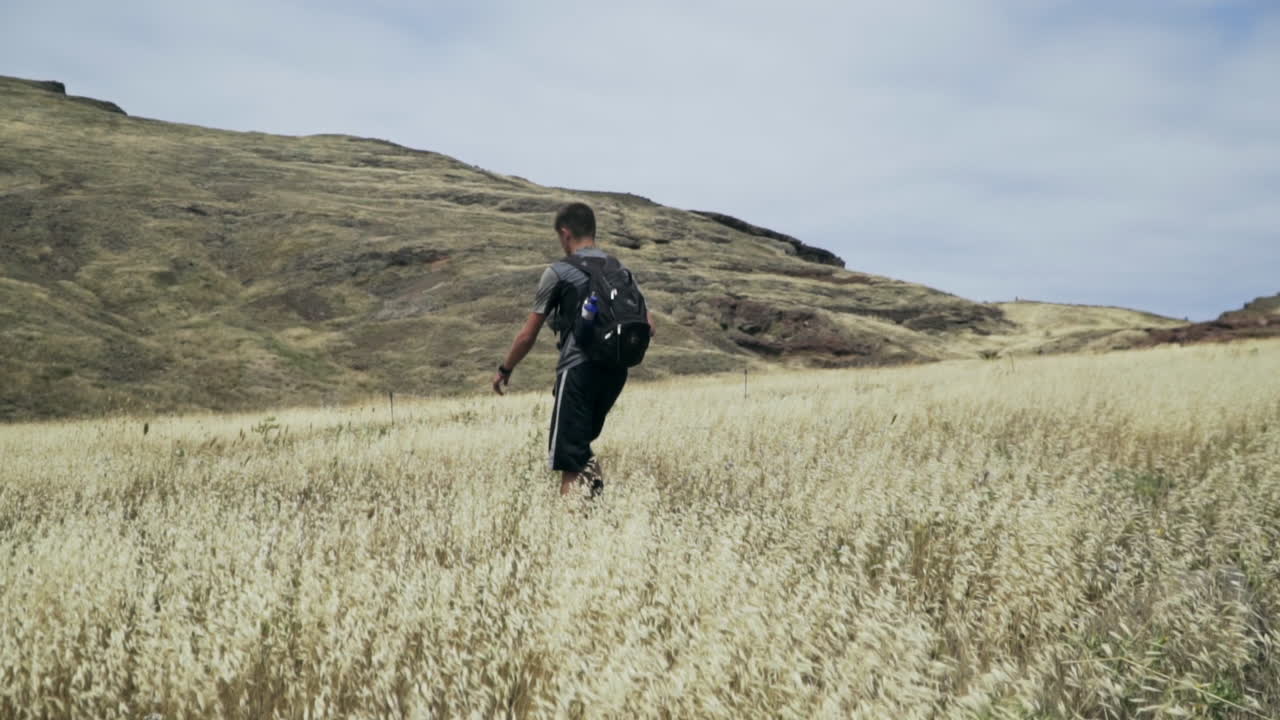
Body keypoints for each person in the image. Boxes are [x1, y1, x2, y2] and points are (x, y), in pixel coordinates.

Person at [492, 202, 654, 499]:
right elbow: (649, 326)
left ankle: (568, 534)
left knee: (569, 459)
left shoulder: (560, 272)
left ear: (565, 234)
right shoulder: (621, 270)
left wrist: (505, 369)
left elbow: (528, 335)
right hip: (616, 372)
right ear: (592, 230)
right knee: (580, 446)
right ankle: (596, 510)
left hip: (578, 370)